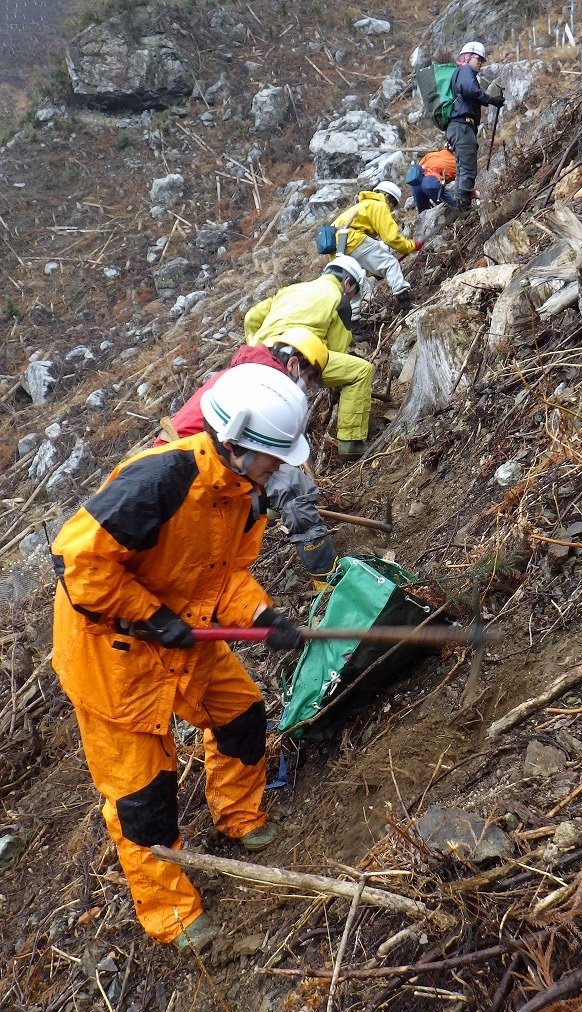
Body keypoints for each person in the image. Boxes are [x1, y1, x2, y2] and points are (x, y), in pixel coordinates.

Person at [51, 365, 309, 952]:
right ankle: (171, 914)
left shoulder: (246, 496)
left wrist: (262, 617)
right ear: (239, 443)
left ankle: (239, 817)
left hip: (186, 641)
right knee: (143, 798)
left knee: (243, 716)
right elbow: (78, 563)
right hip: (113, 660)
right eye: (274, 455)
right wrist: (148, 615)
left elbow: (228, 575)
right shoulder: (160, 481)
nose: (281, 467)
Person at [157, 331, 340, 590]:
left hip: (192, 452)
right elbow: (256, 452)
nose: (307, 387)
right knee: (293, 487)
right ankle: (327, 579)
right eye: (308, 378)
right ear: (293, 364)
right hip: (187, 458)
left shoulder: (254, 370)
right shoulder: (266, 385)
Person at [244, 256, 373, 460]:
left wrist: (254, 342)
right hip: (299, 354)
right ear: (347, 283)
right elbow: (336, 349)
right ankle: (351, 444)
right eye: (353, 294)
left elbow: (251, 317)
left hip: (261, 353)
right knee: (360, 371)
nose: (351, 298)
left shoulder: (291, 289)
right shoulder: (339, 300)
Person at [332, 181, 422, 309]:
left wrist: (372, 271)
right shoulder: (379, 205)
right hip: (353, 239)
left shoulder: (363, 205)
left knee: (352, 285)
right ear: (386, 196)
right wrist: (411, 246)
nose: (392, 207)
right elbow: (390, 238)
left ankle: (354, 325)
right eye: (393, 203)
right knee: (390, 264)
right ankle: (405, 304)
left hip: (337, 249)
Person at [447, 41, 504, 213]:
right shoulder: (465, 71)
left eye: (482, 60)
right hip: (462, 126)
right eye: (478, 58)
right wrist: (490, 100)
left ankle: (461, 206)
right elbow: (469, 89)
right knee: (467, 167)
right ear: (467, 57)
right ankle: (463, 208)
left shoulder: (460, 73)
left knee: (462, 167)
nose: (480, 62)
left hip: (458, 127)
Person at [410, 149, 457, 213]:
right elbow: (465, 181)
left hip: (417, 182)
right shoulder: (456, 162)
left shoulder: (431, 154)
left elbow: (418, 168)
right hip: (430, 182)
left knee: (423, 213)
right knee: (451, 207)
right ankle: (457, 210)